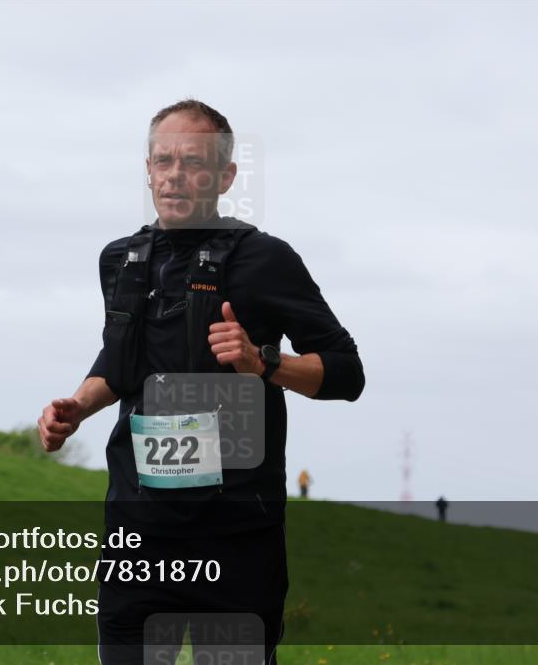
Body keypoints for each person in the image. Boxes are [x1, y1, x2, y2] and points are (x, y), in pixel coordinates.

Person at [38, 99, 365, 664]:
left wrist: (265, 363)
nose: (174, 175)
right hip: (136, 530)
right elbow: (121, 365)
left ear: (225, 176)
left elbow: (346, 372)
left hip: (235, 534)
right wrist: (77, 408)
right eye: (163, 160)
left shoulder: (266, 259)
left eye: (192, 162)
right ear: (146, 167)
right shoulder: (121, 259)